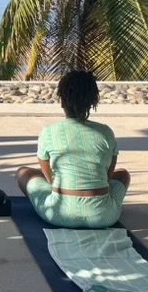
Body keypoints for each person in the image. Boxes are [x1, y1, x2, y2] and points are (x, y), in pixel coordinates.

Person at [15, 70, 130, 229]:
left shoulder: (49, 131)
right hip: (103, 216)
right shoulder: (105, 132)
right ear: (92, 101)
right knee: (123, 175)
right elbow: (108, 176)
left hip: (59, 213)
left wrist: (59, 186)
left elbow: (49, 179)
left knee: (23, 173)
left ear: (62, 101)